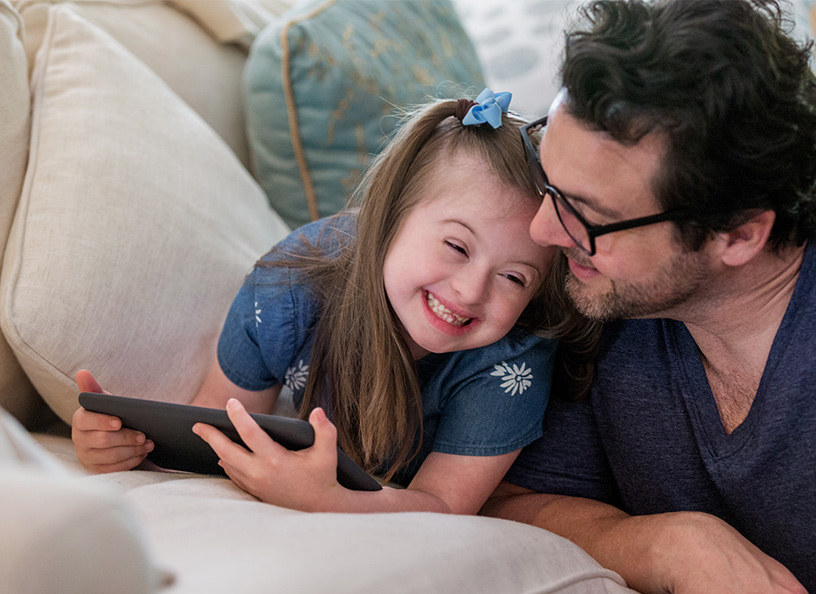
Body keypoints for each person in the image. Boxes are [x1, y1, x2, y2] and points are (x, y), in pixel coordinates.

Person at [479, 1, 816, 594]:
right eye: (550, 184)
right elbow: (506, 503)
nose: (544, 231)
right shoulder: (603, 309)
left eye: (586, 215)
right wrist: (671, 543)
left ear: (740, 235)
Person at [71, 91, 599, 515]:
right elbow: (219, 424)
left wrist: (328, 501)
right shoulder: (288, 287)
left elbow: (443, 502)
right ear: (389, 216)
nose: (469, 291)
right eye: (456, 246)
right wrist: (128, 446)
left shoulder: (512, 355)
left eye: (513, 277)